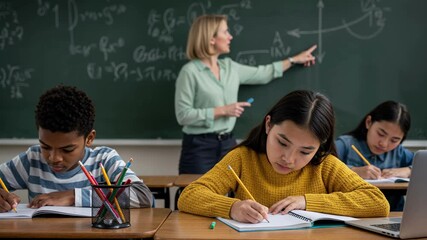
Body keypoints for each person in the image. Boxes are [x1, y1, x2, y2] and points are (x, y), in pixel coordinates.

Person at [178, 90, 389, 222]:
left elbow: (378, 202)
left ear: (320, 146)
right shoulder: (243, 158)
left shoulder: (325, 165)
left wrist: (306, 202)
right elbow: (190, 195)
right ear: (269, 125)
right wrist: (232, 207)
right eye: (282, 143)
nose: (289, 158)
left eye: (305, 151)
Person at [175, 14, 318, 174]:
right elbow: (183, 115)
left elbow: (263, 73)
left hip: (228, 143)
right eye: (225, 32)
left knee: (230, 194)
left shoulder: (229, 67)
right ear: (211, 39)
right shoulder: (190, 72)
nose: (230, 36)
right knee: (195, 194)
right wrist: (223, 110)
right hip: (198, 147)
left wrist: (293, 60)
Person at [0, 85, 153, 212]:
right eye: (45, 147)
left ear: (89, 138)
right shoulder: (32, 159)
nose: (54, 158)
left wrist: (73, 196)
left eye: (67, 149)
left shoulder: (104, 161)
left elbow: (144, 196)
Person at [335, 100, 413, 211]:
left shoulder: (399, 153)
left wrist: (409, 171)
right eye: (381, 134)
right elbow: (320, 165)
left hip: (392, 217)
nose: (384, 144)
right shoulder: (345, 145)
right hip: (351, 215)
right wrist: (353, 171)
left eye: (394, 140)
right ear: (368, 122)